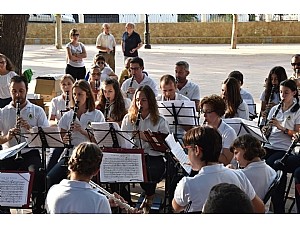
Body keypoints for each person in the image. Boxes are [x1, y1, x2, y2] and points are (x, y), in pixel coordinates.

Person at [171, 126, 265, 213]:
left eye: (187, 150)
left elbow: (176, 208)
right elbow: (260, 208)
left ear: (196, 150)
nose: (187, 154)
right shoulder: (239, 176)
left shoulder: (187, 184)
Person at [0, 75, 49, 214]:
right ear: (10, 91)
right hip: (9, 153)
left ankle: (37, 210)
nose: (18, 95)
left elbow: (45, 139)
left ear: (26, 90)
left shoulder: (37, 111)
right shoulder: (3, 112)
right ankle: (3, 213)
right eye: (14, 91)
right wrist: (7, 137)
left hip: (29, 152)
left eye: (21, 91)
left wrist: (29, 130)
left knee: (37, 174)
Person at [46, 79, 105, 192]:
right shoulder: (68, 116)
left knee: (83, 181)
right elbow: (60, 139)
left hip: (89, 156)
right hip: (70, 155)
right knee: (51, 178)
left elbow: (99, 142)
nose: (76, 97)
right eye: (74, 94)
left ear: (87, 94)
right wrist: (65, 140)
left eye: (80, 94)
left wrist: (83, 131)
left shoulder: (97, 115)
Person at [45, 142, 135, 214]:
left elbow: (75, 202)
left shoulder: (53, 191)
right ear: (96, 171)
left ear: (70, 164)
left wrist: (105, 204)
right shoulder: (99, 200)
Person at [121, 85, 170, 213]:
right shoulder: (128, 118)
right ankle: (128, 204)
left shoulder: (160, 120)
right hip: (133, 155)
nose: (139, 103)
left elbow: (165, 145)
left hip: (153, 155)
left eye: (143, 100)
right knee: (116, 173)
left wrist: (146, 137)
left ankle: (149, 197)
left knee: (149, 170)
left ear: (150, 101)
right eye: (137, 100)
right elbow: (122, 140)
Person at [262, 79, 300, 213]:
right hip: (269, 144)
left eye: (286, 93)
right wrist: (265, 131)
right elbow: (267, 129)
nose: (282, 96)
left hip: (283, 148)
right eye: (281, 92)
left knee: (273, 164)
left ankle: (278, 208)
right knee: (252, 158)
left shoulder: (297, 111)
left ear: (294, 93)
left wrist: (281, 127)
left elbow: (297, 134)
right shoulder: (274, 109)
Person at [229, 134, 277, 212]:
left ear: (246, 150)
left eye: (236, 152)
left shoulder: (242, 175)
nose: (234, 158)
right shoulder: (271, 171)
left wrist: (229, 171)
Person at [199, 94, 237, 166]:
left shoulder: (229, 132)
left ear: (218, 112)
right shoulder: (203, 129)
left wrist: (208, 147)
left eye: (208, 112)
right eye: (203, 111)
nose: (204, 115)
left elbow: (226, 161)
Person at [156, 74, 191, 141]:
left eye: (170, 90)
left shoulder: (185, 101)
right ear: (160, 88)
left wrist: (178, 118)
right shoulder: (156, 101)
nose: (168, 94)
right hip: (161, 135)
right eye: (164, 91)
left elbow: (190, 128)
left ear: (175, 87)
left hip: (180, 136)